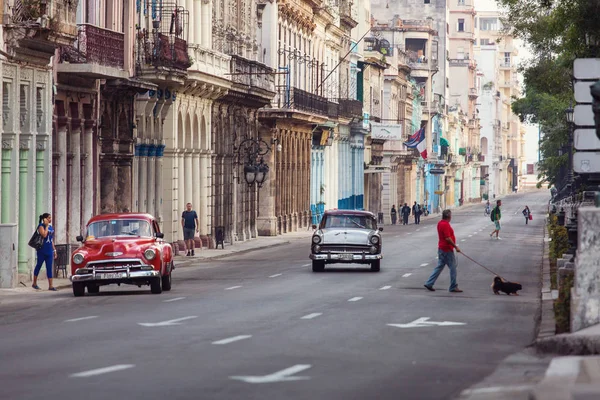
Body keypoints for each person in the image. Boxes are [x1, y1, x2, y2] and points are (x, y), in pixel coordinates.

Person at [424, 209, 463, 293]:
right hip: (447, 249)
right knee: (453, 268)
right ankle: (453, 286)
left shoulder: (440, 223)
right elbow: (447, 238)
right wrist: (455, 247)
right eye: (451, 215)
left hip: (441, 248)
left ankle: (429, 283)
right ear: (448, 216)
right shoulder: (445, 225)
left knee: (439, 266)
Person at [32, 213, 58, 291]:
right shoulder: (41, 226)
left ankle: (50, 285)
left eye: (50, 217)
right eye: (49, 218)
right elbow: (44, 235)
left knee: (49, 267)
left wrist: (54, 250)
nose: (50, 219)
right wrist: (46, 226)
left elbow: (51, 239)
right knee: (39, 265)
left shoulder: (50, 227)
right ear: (45, 219)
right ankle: (34, 283)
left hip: (49, 250)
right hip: (42, 250)